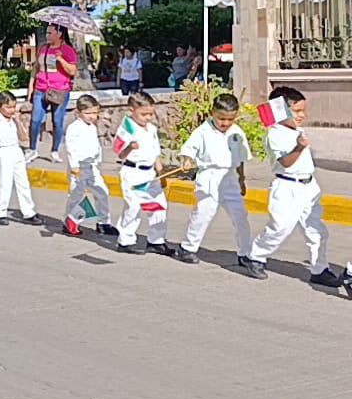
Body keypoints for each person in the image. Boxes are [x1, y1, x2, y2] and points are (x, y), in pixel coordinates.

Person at [242, 87, 340, 285]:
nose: (302, 115)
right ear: (280, 110)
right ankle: (256, 255)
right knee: (281, 227)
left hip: (308, 186)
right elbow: (286, 162)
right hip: (287, 187)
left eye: (303, 110)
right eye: (296, 111)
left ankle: (319, 269)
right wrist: (299, 147)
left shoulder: (297, 130)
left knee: (317, 230)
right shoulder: (275, 133)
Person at [174, 93, 253, 265]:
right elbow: (190, 149)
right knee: (203, 214)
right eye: (221, 118)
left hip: (230, 178)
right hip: (210, 177)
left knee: (240, 216)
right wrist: (187, 160)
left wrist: (241, 179)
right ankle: (188, 247)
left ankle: (246, 253)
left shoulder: (237, 133)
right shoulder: (203, 131)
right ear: (212, 113)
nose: (225, 123)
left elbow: (239, 159)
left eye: (230, 119)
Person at [113, 91, 173, 255]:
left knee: (159, 206)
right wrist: (129, 147)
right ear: (131, 111)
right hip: (133, 172)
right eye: (144, 114)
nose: (148, 117)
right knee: (133, 207)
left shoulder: (151, 129)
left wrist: (161, 172)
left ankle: (156, 240)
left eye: (150, 113)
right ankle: (125, 240)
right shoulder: (127, 128)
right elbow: (119, 153)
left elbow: (155, 153)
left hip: (150, 173)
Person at [61, 95, 117, 237]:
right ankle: (71, 221)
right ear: (78, 112)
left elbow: (95, 146)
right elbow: (71, 148)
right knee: (77, 195)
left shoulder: (92, 127)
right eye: (88, 113)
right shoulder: (74, 128)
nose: (92, 116)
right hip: (79, 167)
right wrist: (74, 166)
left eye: (94, 113)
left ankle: (103, 222)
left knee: (102, 191)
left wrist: (98, 160)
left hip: (92, 166)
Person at [0, 91, 40, 225]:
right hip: (3, 151)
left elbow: (23, 137)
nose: (11, 110)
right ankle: (0, 212)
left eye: (13, 107)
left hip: (16, 150)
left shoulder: (14, 120)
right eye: (8, 107)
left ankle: (29, 212)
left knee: (23, 183)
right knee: (4, 183)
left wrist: (18, 121)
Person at [25, 24, 78, 164]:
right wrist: (31, 87)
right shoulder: (43, 48)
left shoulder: (67, 50)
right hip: (41, 88)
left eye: (50, 33)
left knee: (57, 121)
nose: (47, 35)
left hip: (59, 90)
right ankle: (32, 149)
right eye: (47, 33)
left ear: (59, 34)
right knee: (35, 120)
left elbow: (72, 71)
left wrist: (61, 60)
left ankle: (54, 150)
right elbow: (36, 68)